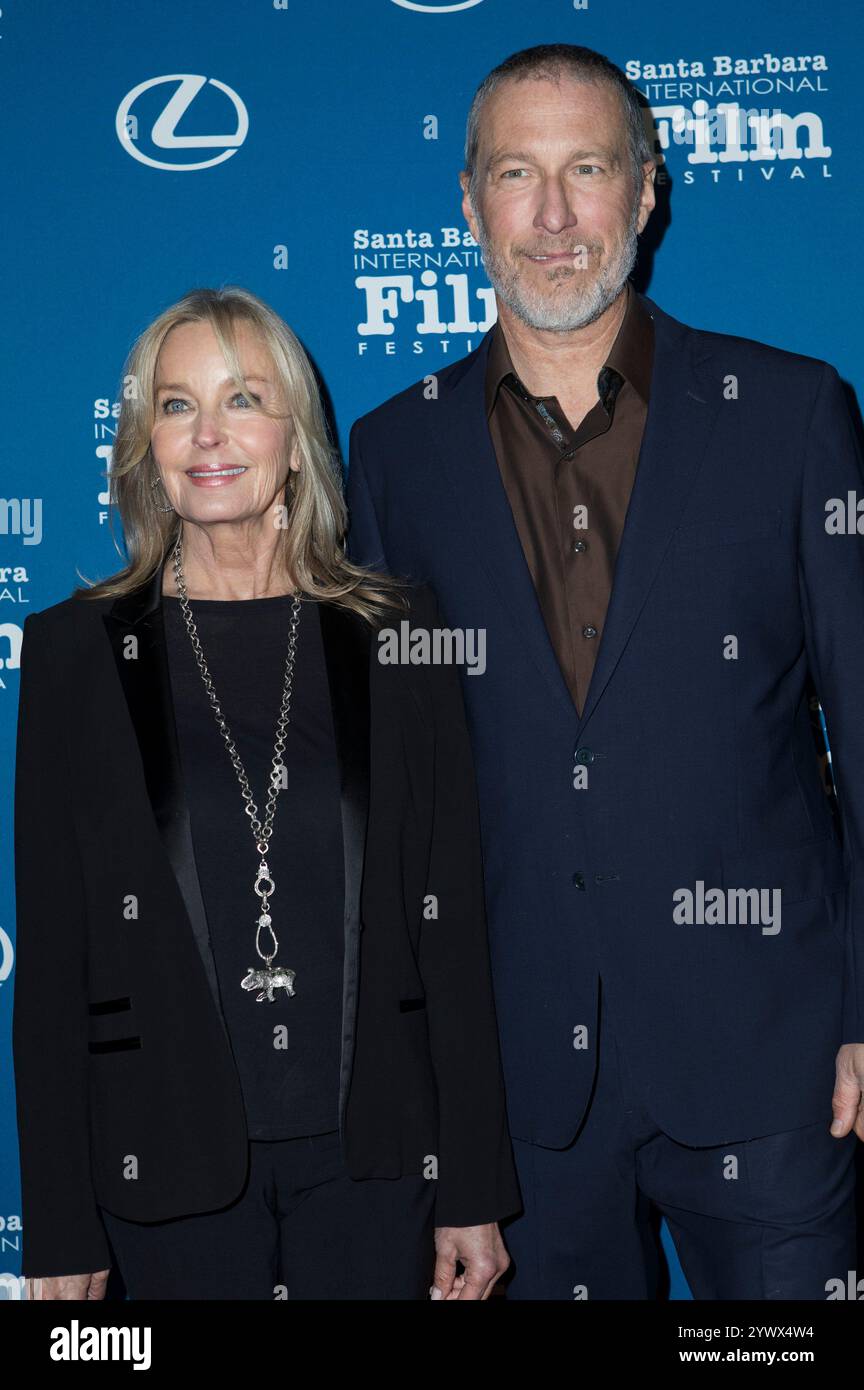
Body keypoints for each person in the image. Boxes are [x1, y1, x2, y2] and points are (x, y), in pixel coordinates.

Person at [345, 44, 864, 1299]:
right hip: (521, 1091)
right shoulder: (394, 451)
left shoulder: (791, 414)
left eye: (589, 170)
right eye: (518, 174)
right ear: (469, 202)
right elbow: (388, 800)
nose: (557, 216)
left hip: (775, 1060)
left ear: (647, 193)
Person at [12, 285, 520, 1301]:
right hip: (163, 1169)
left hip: (376, 1163)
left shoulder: (399, 634)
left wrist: (473, 1184)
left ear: (295, 436)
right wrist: (60, 1223)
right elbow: (54, 960)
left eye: (243, 398)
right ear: (143, 443)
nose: (209, 434)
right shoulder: (76, 652)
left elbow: (453, 929)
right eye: (176, 404)